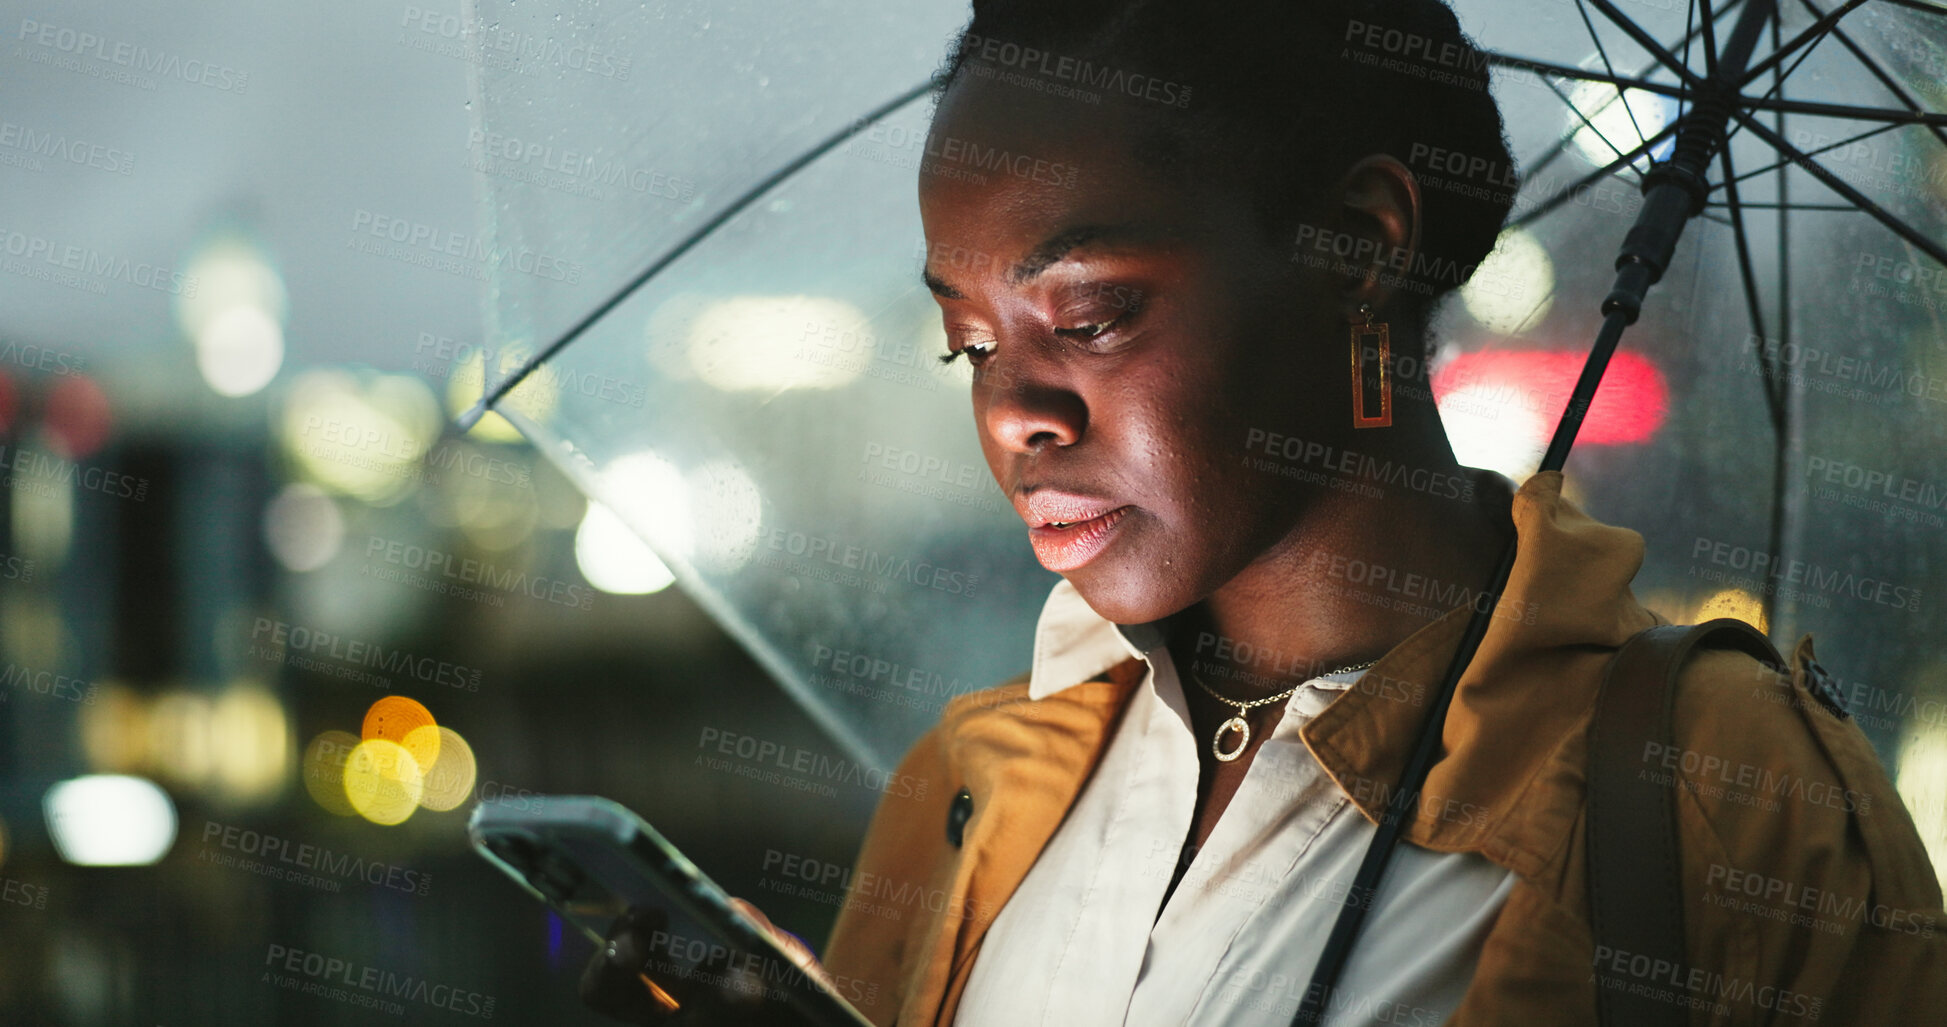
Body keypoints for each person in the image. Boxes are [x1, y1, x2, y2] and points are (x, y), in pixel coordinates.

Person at [585, 0, 1947, 1023]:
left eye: (1091, 312)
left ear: (1359, 246)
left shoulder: (1737, 806)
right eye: (970, 342)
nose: (1011, 413)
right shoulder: (973, 789)